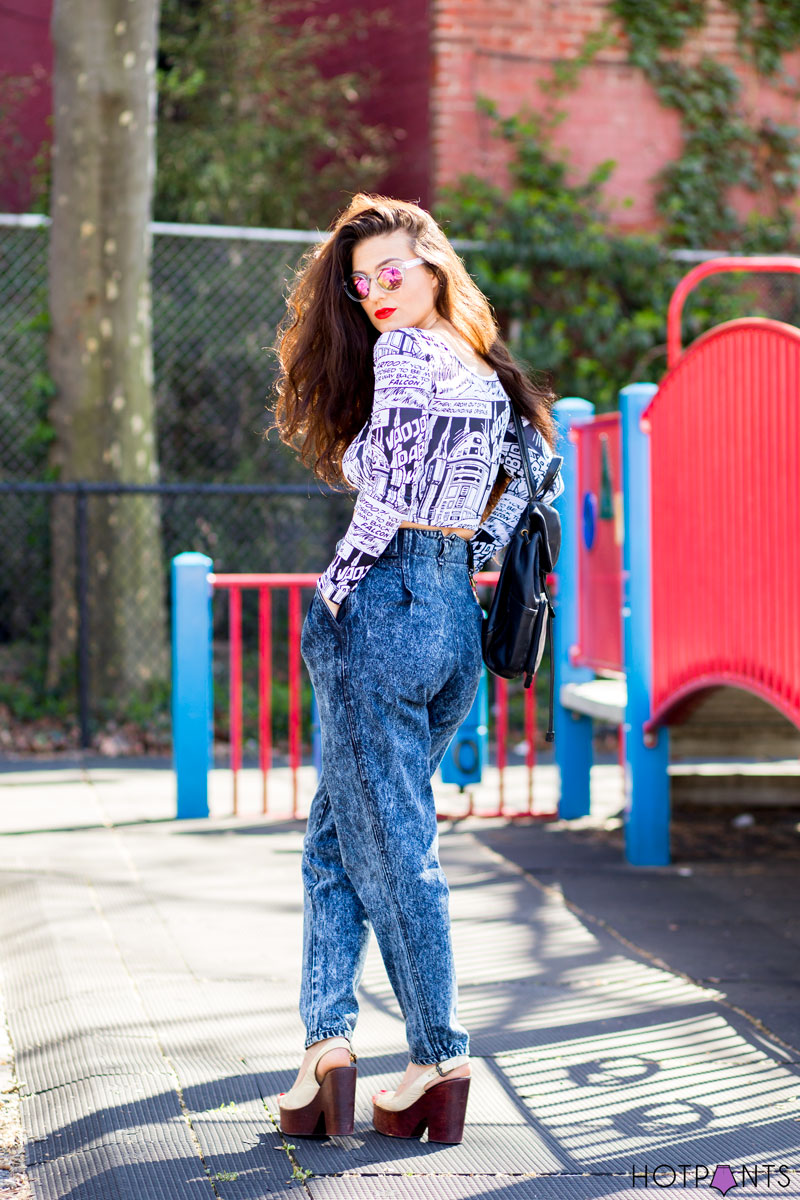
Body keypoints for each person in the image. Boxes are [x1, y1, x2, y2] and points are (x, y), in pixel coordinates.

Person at [268, 193, 564, 1144]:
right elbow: (535, 479)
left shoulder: (403, 355)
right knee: (337, 841)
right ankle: (326, 1050)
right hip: (451, 618)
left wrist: (342, 584)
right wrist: (468, 538)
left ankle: (437, 1052)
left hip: (384, 606)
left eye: (392, 272)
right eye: (361, 285)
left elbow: (386, 491)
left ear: (434, 264)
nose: (375, 296)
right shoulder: (487, 366)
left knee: (394, 847)